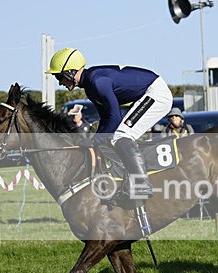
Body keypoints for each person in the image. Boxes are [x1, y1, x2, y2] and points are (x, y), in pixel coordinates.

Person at [45, 47, 173, 201]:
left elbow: (115, 117)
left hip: (156, 93)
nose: (60, 83)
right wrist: (95, 140)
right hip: (149, 92)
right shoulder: (90, 87)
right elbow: (106, 118)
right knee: (114, 138)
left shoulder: (97, 82)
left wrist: (95, 140)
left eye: (59, 77)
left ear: (70, 72)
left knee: (121, 136)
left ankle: (142, 185)